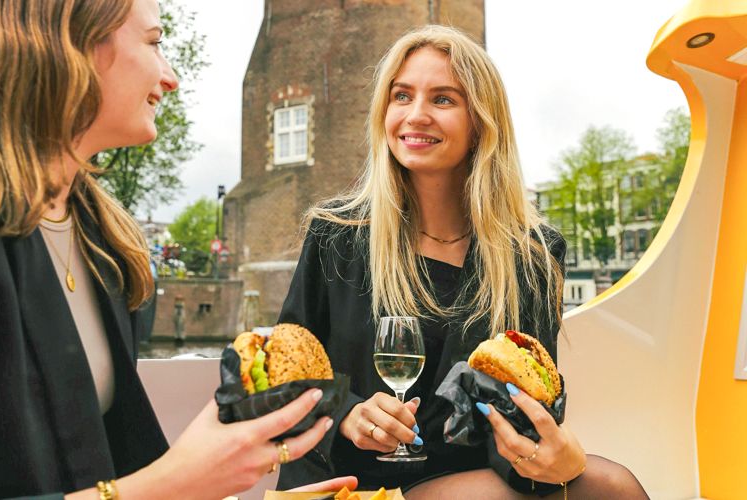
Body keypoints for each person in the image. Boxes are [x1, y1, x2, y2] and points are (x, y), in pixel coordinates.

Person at [0, 0, 356, 498]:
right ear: (71, 43)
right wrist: (177, 482)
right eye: (154, 42)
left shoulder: (105, 244)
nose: (171, 77)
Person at [277, 25, 648, 498]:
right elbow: (286, 372)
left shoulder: (532, 255)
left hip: (463, 477)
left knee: (609, 484)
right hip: (348, 480)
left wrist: (552, 455)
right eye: (401, 96)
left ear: (481, 123)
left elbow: (527, 400)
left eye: (443, 99)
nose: (416, 115)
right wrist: (348, 413)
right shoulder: (337, 234)